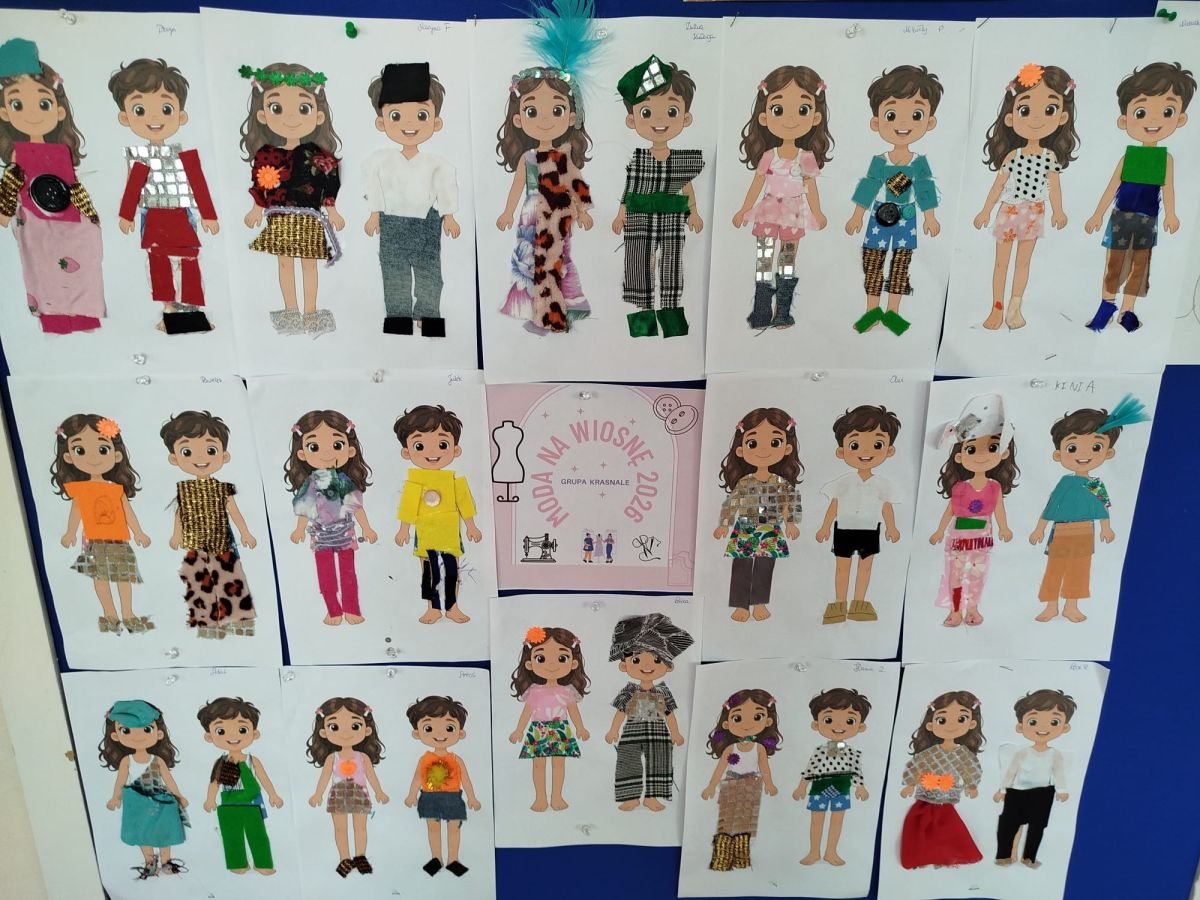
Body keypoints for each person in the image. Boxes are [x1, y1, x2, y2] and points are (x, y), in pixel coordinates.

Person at [1083, 62, 1195, 332]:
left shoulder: (1165, 159)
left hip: (1148, 219)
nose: (1153, 121)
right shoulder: (1129, 156)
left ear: (1180, 119)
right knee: (1114, 263)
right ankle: (1106, 306)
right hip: (1121, 217)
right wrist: (1097, 214)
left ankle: (1127, 310)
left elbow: (1168, 189)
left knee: (1139, 266)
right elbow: (1112, 186)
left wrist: (1171, 214)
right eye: (1141, 113)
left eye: (1167, 112)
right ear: (1124, 120)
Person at [109, 57, 217, 333]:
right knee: (158, 265)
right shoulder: (140, 158)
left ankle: (192, 310)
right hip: (154, 219)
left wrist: (209, 216)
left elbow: (198, 185)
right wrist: (126, 215)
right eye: (140, 110)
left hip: (181, 216)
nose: (155, 118)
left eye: (166, 109)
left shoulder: (186, 157)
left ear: (181, 115)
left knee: (189, 262)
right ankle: (169, 310)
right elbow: (133, 188)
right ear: (125, 117)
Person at [846, 65, 943, 335]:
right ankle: (872, 311)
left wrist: (930, 217)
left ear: (929, 122)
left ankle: (893, 313)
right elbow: (868, 187)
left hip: (906, 219)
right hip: (879, 217)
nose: (902, 124)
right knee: (873, 262)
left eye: (915, 115)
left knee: (901, 265)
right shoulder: (880, 161)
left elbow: (924, 188)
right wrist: (857, 215)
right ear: (876, 122)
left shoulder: (919, 163)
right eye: (891, 115)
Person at [363, 63, 459, 336]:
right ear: (382, 122)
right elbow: (373, 186)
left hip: (426, 224)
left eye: (421, 115)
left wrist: (449, 216)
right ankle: (398, 320)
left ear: (435, 123)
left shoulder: (438, 163)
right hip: (391, 223)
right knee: (394, 275)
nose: (408, 124)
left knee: (430, 274)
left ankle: (429, 318)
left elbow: (445, 187)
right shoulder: (379, 160)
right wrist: (374, 214)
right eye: (396, 115)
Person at [614, 55, 705, 338]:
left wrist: (694, 213)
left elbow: (687, 187)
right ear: (632, 119)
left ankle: (672, 315)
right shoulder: (638, 158)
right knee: (639, 262)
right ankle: (643, 319)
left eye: (672, 111)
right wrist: (620, 214)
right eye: (646, 112)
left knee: (671, 263)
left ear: (685, 118)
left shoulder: (682, 160)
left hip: (672, 218)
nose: (660, 120)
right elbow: (629, 188)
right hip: (640, 217)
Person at [394, 405, 482, 624]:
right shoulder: (414, 482)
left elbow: (465, 504)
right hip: (425, 533)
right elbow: (408, 507)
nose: (432, 452)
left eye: (442, 445)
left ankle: (451, 607)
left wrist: (471, 526)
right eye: (420, 446)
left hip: (450, 532)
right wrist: (404, 529)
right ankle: (433, 608)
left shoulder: (455, 481)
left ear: (455, 450)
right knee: (429, 573)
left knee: (452, 572)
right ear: (407, 452)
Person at [815, 405, 902, 624]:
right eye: (854, 445)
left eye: (877, 444)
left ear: (889, 450)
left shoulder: (882, 484)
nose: (865, 452)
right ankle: (839, 604)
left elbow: (886, 507)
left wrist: (891, 527)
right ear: (841, 451)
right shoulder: (843, 482)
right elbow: (834, 504)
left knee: (865, 568)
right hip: (844, 528)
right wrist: (825, 527)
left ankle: (859, 603)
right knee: (842, 568)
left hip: (870, 530)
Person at [604, 613, 694, 811]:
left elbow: (669, 713)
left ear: (668, 666)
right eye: (636, 660)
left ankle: (652, 798)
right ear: (624, 665)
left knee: (659, 763)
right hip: (631, 732)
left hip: (659, 733)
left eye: (656, 659)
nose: (646, 666)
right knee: (628, 763)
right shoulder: (629, 691)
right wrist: (613, 730)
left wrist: (676, 733)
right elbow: (620, 711)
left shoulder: (663, 691)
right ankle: (631, 797)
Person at [197, 697, 284, 875]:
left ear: (254, 734)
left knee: (258, 834)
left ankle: (263, 863)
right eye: (221, 731)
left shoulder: (252, 760)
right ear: (209, 737)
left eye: (242, 729)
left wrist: (273, 795)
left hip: (252, 804)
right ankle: (237, 863)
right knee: (231, 836)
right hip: (229, 805)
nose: (232, 736)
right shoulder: (221, 762)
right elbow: (214, 782)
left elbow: (264, 778)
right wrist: (210, 799)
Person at [994, 689, 1075, 868]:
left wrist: (1061, 790)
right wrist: (1002, 790)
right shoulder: (1023, 752)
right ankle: (1005, 855)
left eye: (1054, 722)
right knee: (1010, 825)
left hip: (1043, 794)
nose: (1043, 727)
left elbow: (1059, 773)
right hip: (1017, 793)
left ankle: (1029, 857)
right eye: (1033, 721)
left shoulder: (1055, 754)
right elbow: (1011, 772)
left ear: (1064, 727)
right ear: (1020, 726)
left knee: (1037, 827)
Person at [402, 695, 482, 877]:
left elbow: (466, 779)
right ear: (417, 733)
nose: (439, 734)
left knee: (454, 829)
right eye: (428, 728)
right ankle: (436, 859)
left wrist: (472, 798)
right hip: (429, 797)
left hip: (453, 797)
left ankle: (453, 860)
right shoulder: (424, 759)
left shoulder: (456, 759)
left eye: (449, 728)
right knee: (433, 829)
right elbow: (417, 778)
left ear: (460, 733)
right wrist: (411, 795)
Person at [793, 688, 872, 866]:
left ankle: (830, 852)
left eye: (850, 720)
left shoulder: (852, 753)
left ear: (860, 727)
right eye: (828, 719)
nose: (839, 726)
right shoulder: (820, 751)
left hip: (842, 787)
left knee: (837, 821)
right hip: (819, 786)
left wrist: (860, 787)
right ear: (816, 724)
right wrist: (801, 787)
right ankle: (814, 852)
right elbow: (810, 769)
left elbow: (856, 771)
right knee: (816, 821)